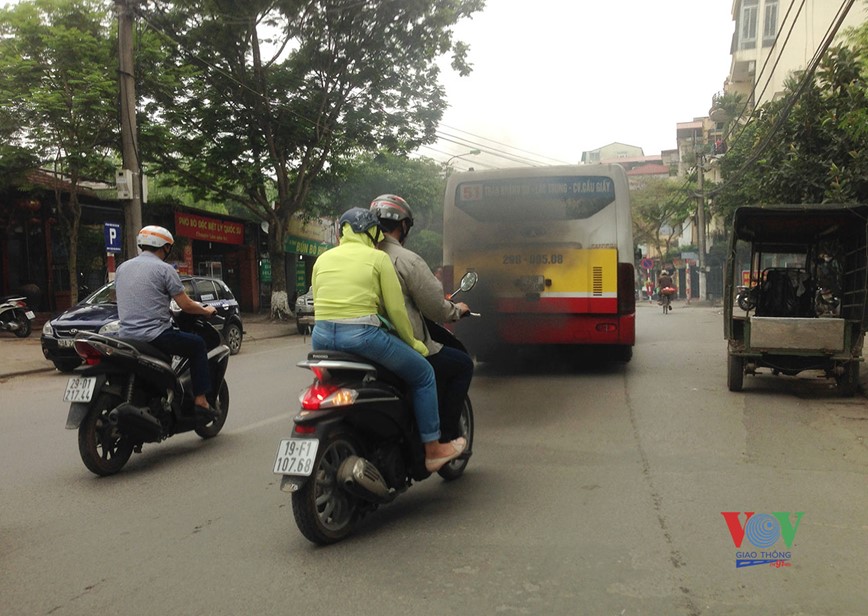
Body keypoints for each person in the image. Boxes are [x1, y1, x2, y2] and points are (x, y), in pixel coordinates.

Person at [310, 207, 466, 472]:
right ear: (372, 233)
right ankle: (433, 448)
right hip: (362, 337)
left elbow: (319, 304)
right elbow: (395, 312)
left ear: (341, 232)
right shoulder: (377, 258)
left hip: (322, 338)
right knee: (425, 374)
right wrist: (414, 344)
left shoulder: (322, 260)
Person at [370, 194, 474, 443]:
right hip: (399, 343)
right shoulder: (407, 260)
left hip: (354, 342)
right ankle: (444, 438)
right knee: (461, 365)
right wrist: (456, 310)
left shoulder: (360, 257)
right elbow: (434, 307)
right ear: (403, 225)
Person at [115, 226, 218, 421]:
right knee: (197, 345)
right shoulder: (164, 269)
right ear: (164, 247)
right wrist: (206, 311)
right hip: (155, 336)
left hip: (126, 336)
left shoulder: (122, 268)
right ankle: (201, 400)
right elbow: (185, 304)